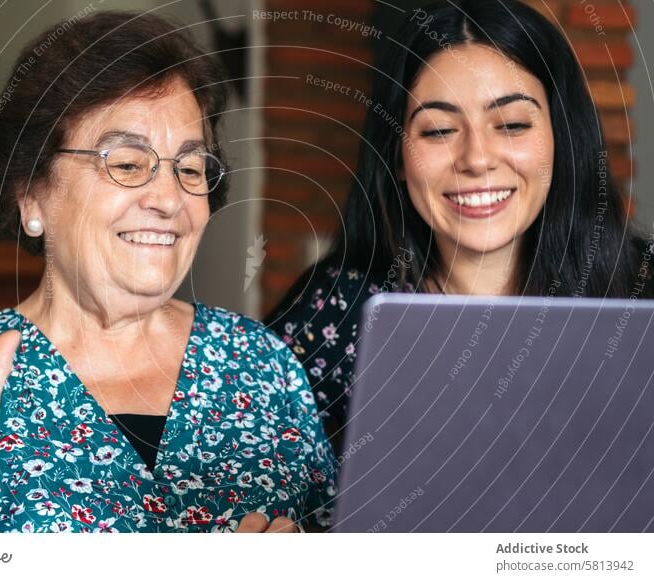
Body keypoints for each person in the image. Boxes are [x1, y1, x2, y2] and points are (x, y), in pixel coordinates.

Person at [0, 11, 336, 533]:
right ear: (31, 193)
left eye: (191, 168)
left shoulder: (262, 366)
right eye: (127, 164)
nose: (169, 199)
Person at [266, 0, 654, 451]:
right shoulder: (332, 311)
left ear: (562, 139)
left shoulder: (640, 291)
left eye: (510, 124)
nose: (476, 160)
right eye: (438, 130)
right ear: (397, 157)